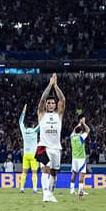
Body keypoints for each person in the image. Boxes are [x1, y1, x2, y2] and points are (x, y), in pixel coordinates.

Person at [36, 74, 66, 203]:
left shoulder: (58, 115)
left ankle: (50, 193)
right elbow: (42, 99)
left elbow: (63, 100)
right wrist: (49, 85)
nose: (50, 104)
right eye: (49, 103)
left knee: (54, 172)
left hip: (56, 147)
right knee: (45, 168)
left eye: (53, 103)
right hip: (44, 146)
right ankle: (45, 194)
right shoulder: (41, 114)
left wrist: (56, 86)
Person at [17, 104, 39, 194]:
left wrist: (23, 111)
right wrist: (41, 112)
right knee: (34, 173)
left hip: (25, 154)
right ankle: (34, 189)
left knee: (24, 172)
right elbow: (42, 123)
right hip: (33, 154)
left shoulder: (24, 130)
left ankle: (21, 188)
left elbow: (20, 122)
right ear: (33, 125)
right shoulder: (34, 131)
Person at [68, 118, 90, 196]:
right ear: (80, 132)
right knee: (81, 175)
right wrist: (83, 123)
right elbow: (88, 130)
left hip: (74, 158)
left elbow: (74, 131)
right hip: (81, 158)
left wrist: (79, 124)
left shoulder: (72, 137)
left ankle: (72, 190)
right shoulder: (81, 137)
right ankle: (80, 190)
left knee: (73, 174)